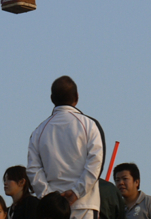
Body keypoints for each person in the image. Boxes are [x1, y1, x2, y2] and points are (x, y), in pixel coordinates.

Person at [26, 77, 102, 219]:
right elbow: (95, 163)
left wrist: (50, 197)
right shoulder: (89, 125)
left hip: (52, 210)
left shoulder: (39, 131)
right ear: (77, 97)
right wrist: (76, 192)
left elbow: (33, 169)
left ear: (52, 98)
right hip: (84, 205)